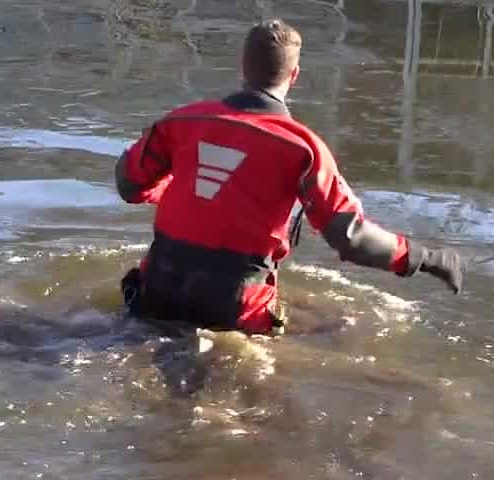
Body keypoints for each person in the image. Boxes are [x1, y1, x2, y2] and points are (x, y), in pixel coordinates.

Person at [113, 18, 464, 334]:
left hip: (155, 293)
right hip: (235, 310)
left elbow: (129, 184)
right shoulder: (303, 148)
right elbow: (351, 238)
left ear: (242, 67)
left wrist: (182, 192)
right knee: (328, 329)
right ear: (294, 75)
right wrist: (427, 258)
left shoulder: (180, 122)